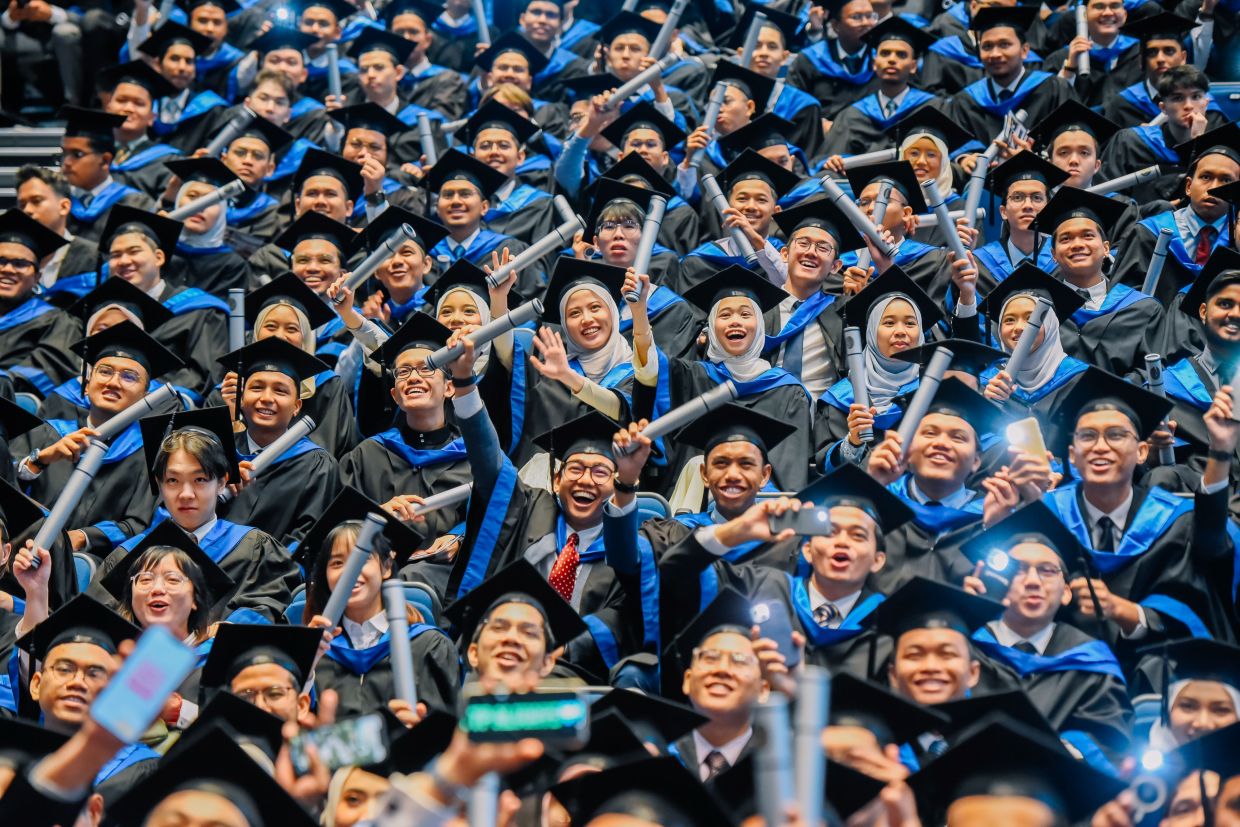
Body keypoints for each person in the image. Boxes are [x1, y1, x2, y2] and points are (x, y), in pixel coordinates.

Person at [1042, 367, 1236, 656]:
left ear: (1142, 452)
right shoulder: (1047, 518)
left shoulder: (1175, 523)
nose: (1100, 447)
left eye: (1116, 435)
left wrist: (1220, 452)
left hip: (1159, 673)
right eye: (1088, 436)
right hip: (1068, 679)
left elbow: (1198, 597)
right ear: (1072, 455)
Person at [960, 503, 1133, 765]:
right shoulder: (967, 648)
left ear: (1066, 593)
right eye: (1018, 569)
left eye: (1047, 570)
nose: (1032, 581)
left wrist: (1058, 751)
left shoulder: (1091, 662)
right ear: (997, 581)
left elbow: (1110, 740)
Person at [93, 406, 301, 624]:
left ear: (222, 482)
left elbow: (270, 604)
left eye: (200, 480)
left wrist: (226, 632)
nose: (186, 494)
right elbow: (100, 624)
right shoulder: (129, 557)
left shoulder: (254, 549)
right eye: (173, 481)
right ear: (159, 484)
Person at [635, 264, 815, 491]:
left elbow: (789, 473)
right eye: (725, 315)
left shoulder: (787, 391)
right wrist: (639, 311)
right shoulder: (690, 377)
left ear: (759, 326)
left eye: (745, 314)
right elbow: (649, 365)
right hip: (691, 508)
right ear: (711, 327)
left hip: (760, 508)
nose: (735, 321)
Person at [15, 321, 182, 557]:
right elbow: (7, 486)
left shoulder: (148, 454)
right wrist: (40, 460)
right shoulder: (48, 433)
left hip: (83, 565)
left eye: (129, 377)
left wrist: (84, 537)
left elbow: (137, 524)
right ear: (86, 385)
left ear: (146, 397)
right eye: (104, 371)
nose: (113, 382)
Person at [337, 314, 473, 586]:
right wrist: (377, 515)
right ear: (395, 395)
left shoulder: (471, 460)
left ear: (449, 387)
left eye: (425, 369)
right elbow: (337, 527)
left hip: (440, 579)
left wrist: (459, 537)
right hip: (368, 573)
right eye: (403, 372)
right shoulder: (367, 455)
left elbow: (493, 518)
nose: (413, 378)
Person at [300, 493, 460, 718]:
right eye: (337, 563)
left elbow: (451, 732)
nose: (350, 571)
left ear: (386, 567)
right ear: (325, 575)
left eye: (362, 559)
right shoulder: (317, 652)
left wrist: (421, 735)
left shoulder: (429, 646)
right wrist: (307, 665)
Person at [7, 594, 155, 802]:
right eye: (65, 669)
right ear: (36, 684)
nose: (77, 682)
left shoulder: (143, 772)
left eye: (94, 673)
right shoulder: (8, 757)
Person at [95, 205, 230, 405]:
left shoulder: (201, 311)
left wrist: (143, 394)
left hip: (166, 410)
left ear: (159, 257)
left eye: (134, 251)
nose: (123, 261)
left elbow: (203, 375)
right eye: (115, 255)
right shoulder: (104, 314)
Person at [215, 337, 340, 547]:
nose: (266, 397)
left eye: (280, 391)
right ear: (241, 399)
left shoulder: (317, 465)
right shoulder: (216, 454)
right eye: (256, 388)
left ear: (297, 406)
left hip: (275, 574)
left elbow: (305, 538)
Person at [817, 266, 943, 470]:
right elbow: (826, 468)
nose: (901, 331)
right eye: (889, 323)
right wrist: (853, 442)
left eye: (910, 323)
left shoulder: (935, 391)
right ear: (872, 333)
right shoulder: (841, 398)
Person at [1034, 187, 1164, 377]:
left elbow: (1151, 373)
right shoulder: (1036, 308)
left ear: (1106, 249)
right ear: (1053, 255)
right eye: (1066, 238)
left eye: (1087, 235)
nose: (1077, 244)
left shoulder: (1143, 310)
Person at [1115, 123, 1239, 305]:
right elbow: (1121, 302)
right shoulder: (1148, 235)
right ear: (1188, 186)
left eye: (1226, 180)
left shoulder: (1235, 242)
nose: (1213, 188)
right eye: (1206, 177)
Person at [764, 196, 866, 399]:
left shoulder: (843, 314)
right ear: (784, 253)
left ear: (836, 266)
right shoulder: (759, 310)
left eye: (823, 248)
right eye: (803, 243)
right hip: (763, 412)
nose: (811, 252)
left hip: (821, 422)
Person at [443, 558, 590, 690]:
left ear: (547, 662)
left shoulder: (578, 719)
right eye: (499, 628)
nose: (512, 638)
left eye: (529, 633)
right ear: (473, 653)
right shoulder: (442, 721)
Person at [945, 7, 1075, 149]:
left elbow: (1072, 138)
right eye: (987, 46)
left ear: (1025, 51)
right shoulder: (966, 100)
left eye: (1004, 45)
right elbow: (958, 145)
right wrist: (966, 158)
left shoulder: (1053, 88)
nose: (995, 54)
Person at [978, 265, 1090, 430]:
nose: (1019, 327)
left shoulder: (1078, 380)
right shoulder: (988, 383)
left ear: (1050, 326)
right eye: (1009, 320)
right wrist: (985, 406)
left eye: (1031, 318)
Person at [818, 18, 942, 164]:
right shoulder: (854, 114)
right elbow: (828, 158)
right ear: (874, 63)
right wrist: (835, 162)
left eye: (901, 55)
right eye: (885, 53)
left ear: (914, 66)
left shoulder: (931, 108)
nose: (892, 60)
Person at [1102, 65, 1215, 205]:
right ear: (1163, 108)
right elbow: (1106, 193)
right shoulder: (1131, 142)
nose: (1188, 105)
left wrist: (1198, 143)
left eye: (1196, 96)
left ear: (1206, 103)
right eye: (1178, 98)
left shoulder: (1219, 148)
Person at [0, 209, 83, 397]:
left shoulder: (58, 322)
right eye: (1, 261)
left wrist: (5, 381)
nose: (7, 269)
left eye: (20, 263)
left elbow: (52, 369)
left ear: (37, 277)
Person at [161, 157, 253, 297]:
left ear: (222, 211)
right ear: (178, 201)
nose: (200, 207)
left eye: (211, 201)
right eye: (192, 196)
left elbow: (230, 315)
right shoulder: (159, 249)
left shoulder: (233, 265)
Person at [58, 106, 153, 242]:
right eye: (64, 154)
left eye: (77, 154)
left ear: (105, 160)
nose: (66, 162)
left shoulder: (135, 205)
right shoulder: (55, 201)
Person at [132, 22, 229, 152]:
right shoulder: (143, 105)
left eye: (189, 61)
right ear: (158, 64)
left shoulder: (211, 111)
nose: (182, 67)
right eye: (175, 59)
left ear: (195, 70)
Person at [96, 60, 180, 202]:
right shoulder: (92, 153)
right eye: (121, 100)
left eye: (139, 103)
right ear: (108, 108)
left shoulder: (168, 161)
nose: (129, 108)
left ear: (152, 117)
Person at [1137, 638, 1240, 751]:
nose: (1203, 723)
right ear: (1167, 711)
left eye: (1221, 710)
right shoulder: (1136, 764)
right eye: (1188, 706)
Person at [14, 166, 98, 302]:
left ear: (64, 207)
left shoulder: (94, 258)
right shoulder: (11, 260)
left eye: (36, 201)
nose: (27, 210)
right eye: (22, 204)